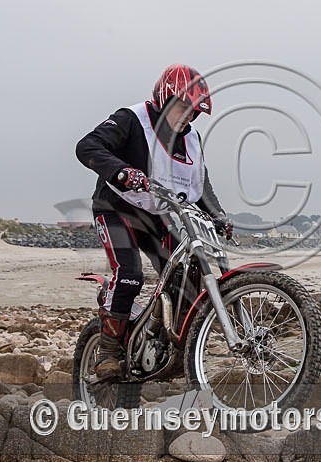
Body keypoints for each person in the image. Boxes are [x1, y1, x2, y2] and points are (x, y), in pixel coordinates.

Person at [75, 64, 233, 379]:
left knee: (186, 279)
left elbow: (200, 184)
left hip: (157, 215)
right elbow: (87, 146)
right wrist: (121, 171)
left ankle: (166, 344)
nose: (188, 116)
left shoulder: (192, 140)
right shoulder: (131, 119)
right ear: (165, 98)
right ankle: (107, 353)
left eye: (194, 112)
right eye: (183, 107)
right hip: (116, 208)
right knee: (130, 275)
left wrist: (218, 215)